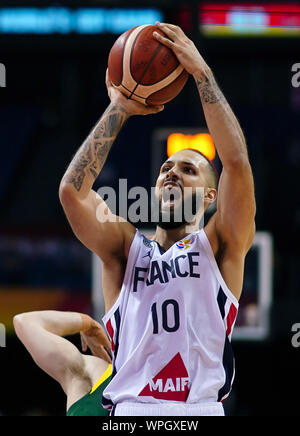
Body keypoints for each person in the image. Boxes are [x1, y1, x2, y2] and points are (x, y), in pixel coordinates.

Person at [59, 22, 256, 416]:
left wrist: (202, 74)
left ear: (211, 195)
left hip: (197, 409)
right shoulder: (123, 249)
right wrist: (120, 108)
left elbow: (235, 162)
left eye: (188, 169)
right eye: (167, 167)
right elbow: (72, 192)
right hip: (130, 411)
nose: (171, 172)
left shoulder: (220, 245)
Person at [13, 310, 112, 416]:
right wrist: (88, 324)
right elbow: (24, 322)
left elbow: (24, 323)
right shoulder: (98, 375)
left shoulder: (97, 374)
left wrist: (88, 325)